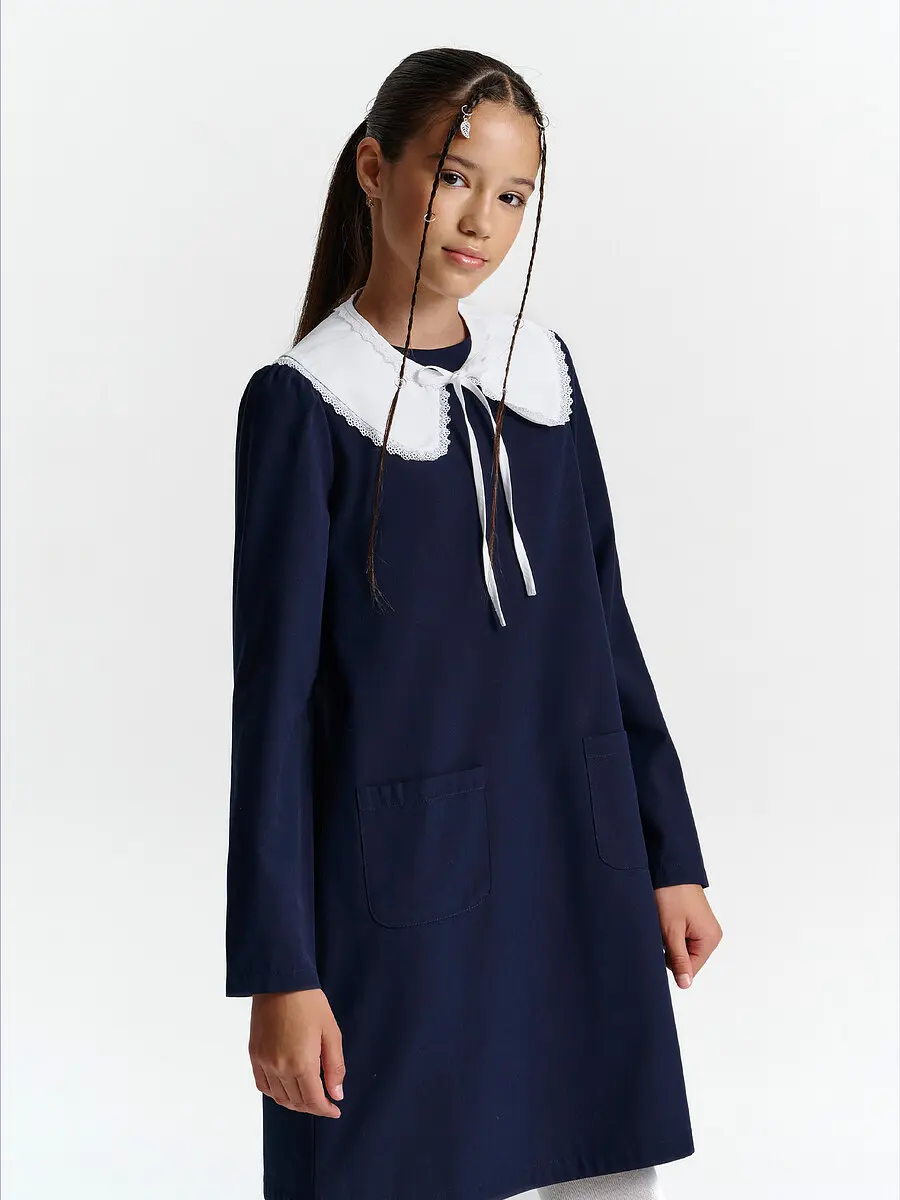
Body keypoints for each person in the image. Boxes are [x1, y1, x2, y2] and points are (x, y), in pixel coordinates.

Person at [225, 46, 723, 1200]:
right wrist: (279, 969)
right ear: (374, 168)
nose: (479, 222)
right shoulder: (308, 403)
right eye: (454, 178)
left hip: (579, 859)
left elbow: (605, 624)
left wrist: (670, 856)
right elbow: (275, 711)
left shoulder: (541, 375)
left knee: (605, 1165)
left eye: (512, 196)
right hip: (403, 893)